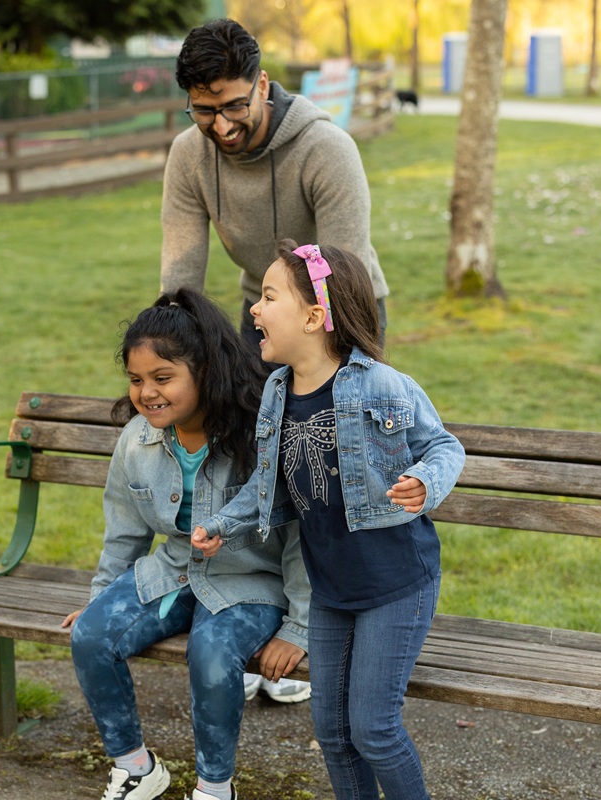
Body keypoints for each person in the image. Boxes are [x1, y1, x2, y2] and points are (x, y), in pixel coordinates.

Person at [191, 240, 465, 800]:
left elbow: (444, 447)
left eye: (269, 297)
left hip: (395, 584)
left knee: (374, 730)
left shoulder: (382, 385)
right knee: (333, 734)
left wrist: (426, 483)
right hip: (331, 589)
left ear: (315, 317)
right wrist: (223, 523)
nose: (254, 309)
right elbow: (265, 482)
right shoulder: (276, 392)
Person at [61, 288, 311, 800]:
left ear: (205, 373)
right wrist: (101, 597)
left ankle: (214, 788)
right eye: (136, 380)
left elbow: (299, 538)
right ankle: (135, 767)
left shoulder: (256, 437)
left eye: (163, 378)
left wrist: (299, 626)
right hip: (174, 572)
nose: (146, 392)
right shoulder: (137, 439)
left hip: (250, 585)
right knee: (90, 635)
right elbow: (125, 529)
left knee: (213, 654)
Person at [161, 18, 390, 355]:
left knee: (325, 409)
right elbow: (181, 275)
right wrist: (174, 346)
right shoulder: (188, 155)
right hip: (260, 311)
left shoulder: (325, 149)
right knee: (253, 408)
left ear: (263, 86)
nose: (222, 126)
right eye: (205, 112)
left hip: (341, 310)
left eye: (235, 106)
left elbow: (342, 274)